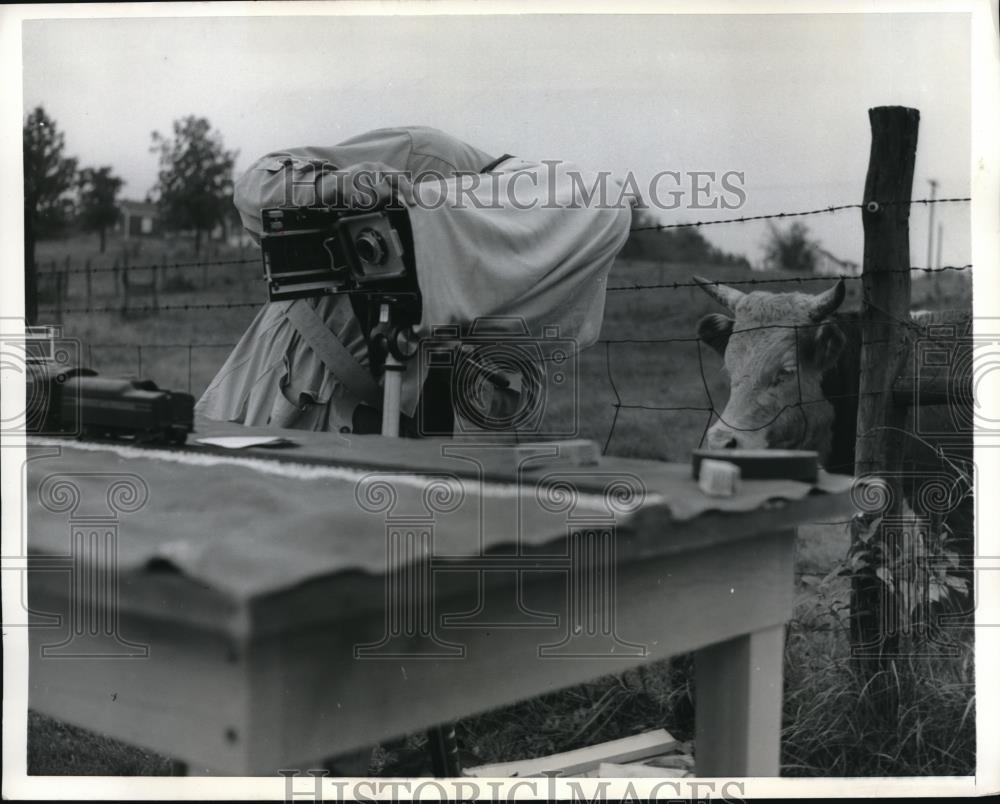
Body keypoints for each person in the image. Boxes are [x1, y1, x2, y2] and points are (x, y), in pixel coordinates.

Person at [196, 126, 633, 437]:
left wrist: (501, 372)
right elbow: (256, 184)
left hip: (397, 421)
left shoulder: (533, 260)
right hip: (292, 382)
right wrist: (336, 188)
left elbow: (502, 386)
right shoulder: (428, 158)